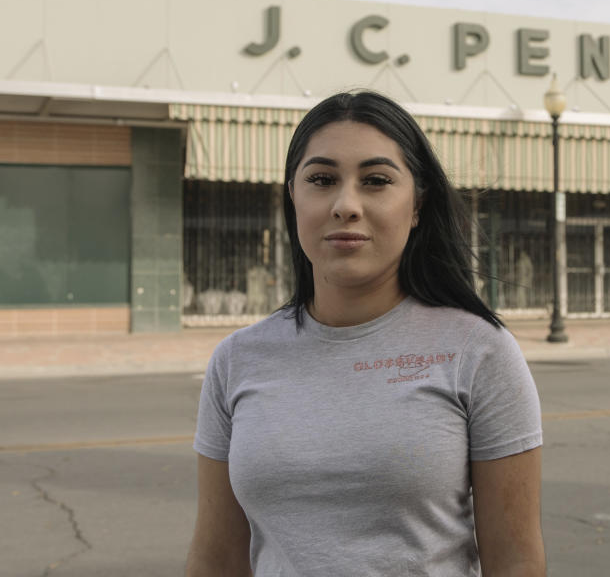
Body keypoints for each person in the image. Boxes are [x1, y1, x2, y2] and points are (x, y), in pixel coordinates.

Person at [185, 91, 545, 576]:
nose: (346, 204)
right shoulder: (237, 360)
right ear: (293, 197)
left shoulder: (479, 351)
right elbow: (216, 557)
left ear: (416, 206)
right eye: (322, 180)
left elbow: (517, 561)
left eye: (376, 181)